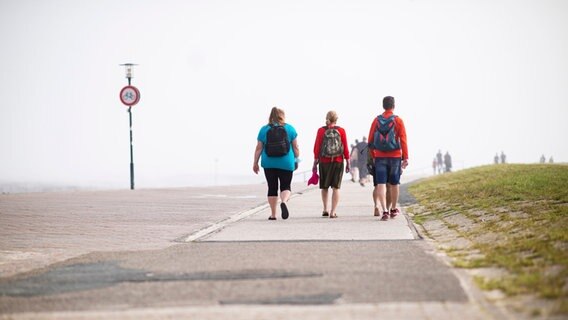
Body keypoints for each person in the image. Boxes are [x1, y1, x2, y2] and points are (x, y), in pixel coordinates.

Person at [253, 107, 300, 220]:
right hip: (286, 162)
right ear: (282, 116)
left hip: (269, 162)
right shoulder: (290, 129)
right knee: (286, 186)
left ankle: (273, 214)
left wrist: (255, 163)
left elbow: (259, 148)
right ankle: (283, 201)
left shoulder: (264, 129)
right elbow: (295, 147)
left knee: (272, 187)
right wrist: (296, 160)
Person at [367, 96, 408, 221]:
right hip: (395, 156)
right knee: (394, 183)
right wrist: (405, 157)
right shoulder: (398, 121)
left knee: (381, 184)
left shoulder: (376, 120)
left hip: (379, 156)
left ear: (383, 106)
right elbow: (403, 139)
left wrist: (374, 155)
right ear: (393, 106)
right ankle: (393, 209)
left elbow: (370, 141)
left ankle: (384, 210)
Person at [312, 111, 350, 218]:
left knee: (324, 187)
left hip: (324, 162)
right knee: (336, 188)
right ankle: (333, 212)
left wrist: (315, 162)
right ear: (336, 119)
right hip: (338, 161)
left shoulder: (321, 131)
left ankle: (325, 209)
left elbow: (317, 147)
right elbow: (345, 147)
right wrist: (348, 161)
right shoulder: (341, 130)